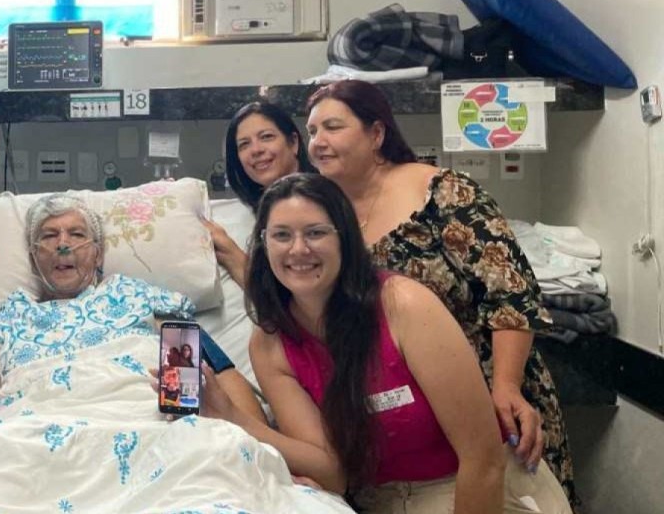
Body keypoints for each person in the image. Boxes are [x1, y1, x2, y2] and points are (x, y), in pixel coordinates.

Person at [0, 194, 350, 514]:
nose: (62, 246)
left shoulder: (149, 302)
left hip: (151, 425)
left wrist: (254, 442)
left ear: (98, 250)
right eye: (48, 237)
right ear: (34, 256)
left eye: (76, 235)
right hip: (35, 430)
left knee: (211, 459)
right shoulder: (12, 316)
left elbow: (211, 377)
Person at [204, 173, 571, 513]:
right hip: (380, 502)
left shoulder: (402, 305)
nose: (298, 249)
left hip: (480, 490)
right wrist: (235, 419)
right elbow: (332, 473)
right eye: (281, 235)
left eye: (315, 233)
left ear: (345, 239)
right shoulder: (270, 344)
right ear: (264, 244)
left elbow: (483, 460)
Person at [304, 79, 576, 503]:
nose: (318, 141)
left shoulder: (441, 192)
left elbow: (510, 293)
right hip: (398, 414)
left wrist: (506, 385)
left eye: (333, 127)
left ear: (376, 133)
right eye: (312, 131)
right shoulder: (325, 216)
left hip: (486, 394)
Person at [205, 100, 313, 287]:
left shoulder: (325, 201)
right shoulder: (248, 213)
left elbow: (302, 296)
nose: (256, 150)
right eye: (244, 144)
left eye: (266, 137)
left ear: (294, 142)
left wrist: (232, 255)